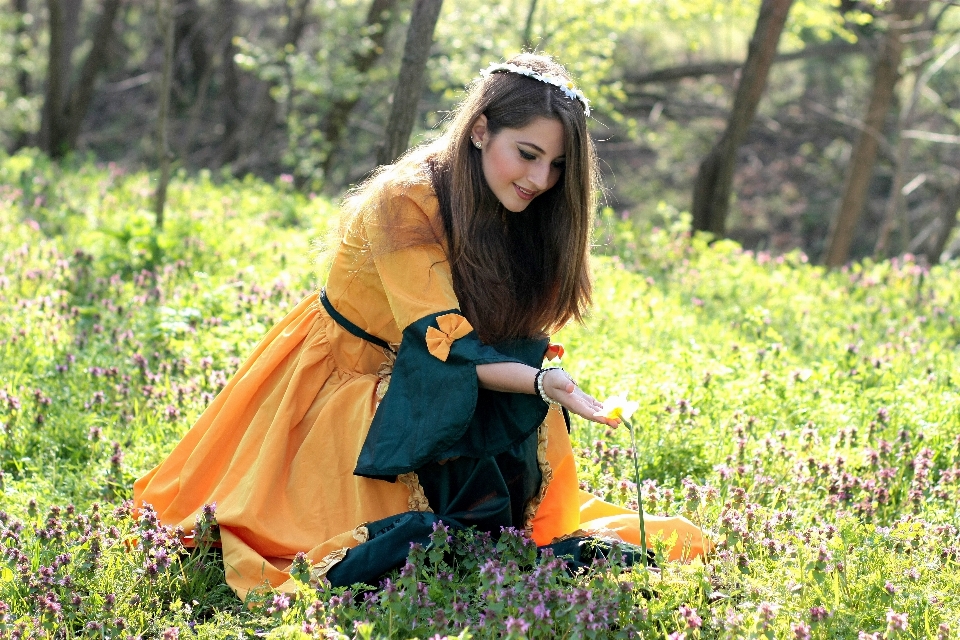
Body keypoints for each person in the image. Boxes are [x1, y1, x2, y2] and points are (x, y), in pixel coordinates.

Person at [133, 53, 708, 599]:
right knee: (383, 540)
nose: (540, 178)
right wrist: (537, 383)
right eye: (528, 153)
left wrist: (542, 380)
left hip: (442, 378)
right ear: (480, 128)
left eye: (556, 165)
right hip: (349, 383)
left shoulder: (511, 202)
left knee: (508, 531)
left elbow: (493, 337)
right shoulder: (405, 199)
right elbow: (442, 341)